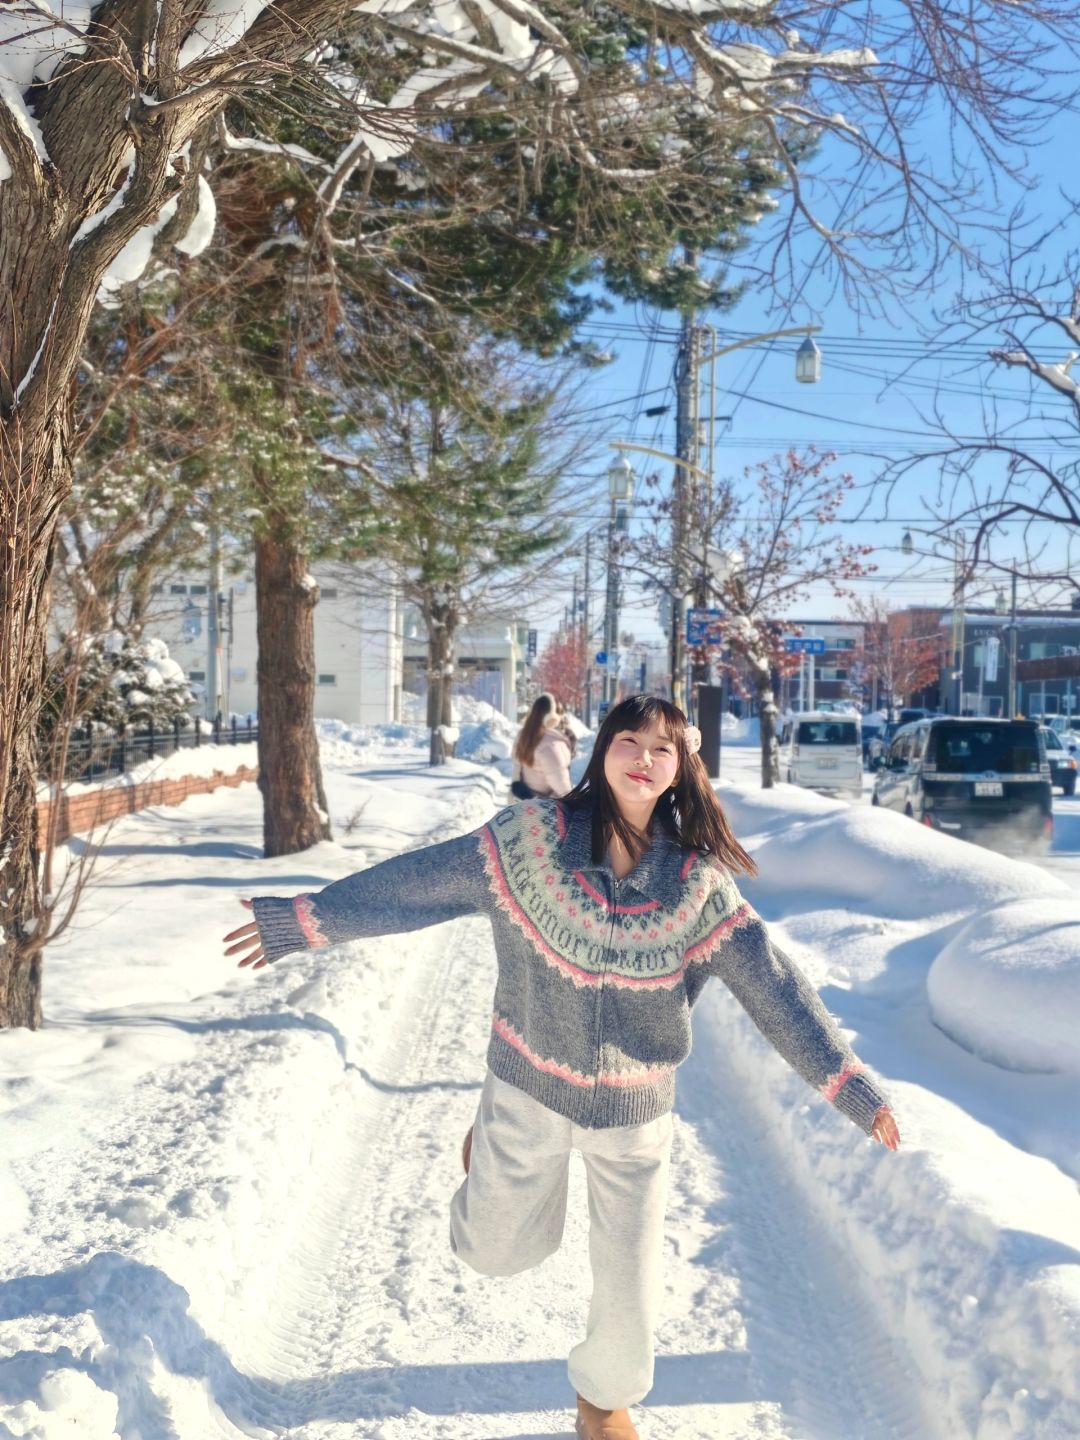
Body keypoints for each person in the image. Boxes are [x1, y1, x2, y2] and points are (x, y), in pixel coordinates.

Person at [224, 695, 900, 1440]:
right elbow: (423, 883)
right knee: (496, 1251)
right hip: (526, 1089)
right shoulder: (529, 842)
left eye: (663, 750)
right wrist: (311, 919)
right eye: (630, 741)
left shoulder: (697, 886)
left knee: (629, 1279)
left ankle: (605, 1399)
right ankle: (484, 1159)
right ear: (601, 749)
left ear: (682, 771)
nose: (644, 757)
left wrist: (849, 1085)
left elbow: (772, 985)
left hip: (638, 1113)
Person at [511, 691, 573, 799]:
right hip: (541, 810)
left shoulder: (523, 735)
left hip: (519, 802)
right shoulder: (550, 744)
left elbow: (517, 766)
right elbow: (561, 785)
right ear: (551, 716)